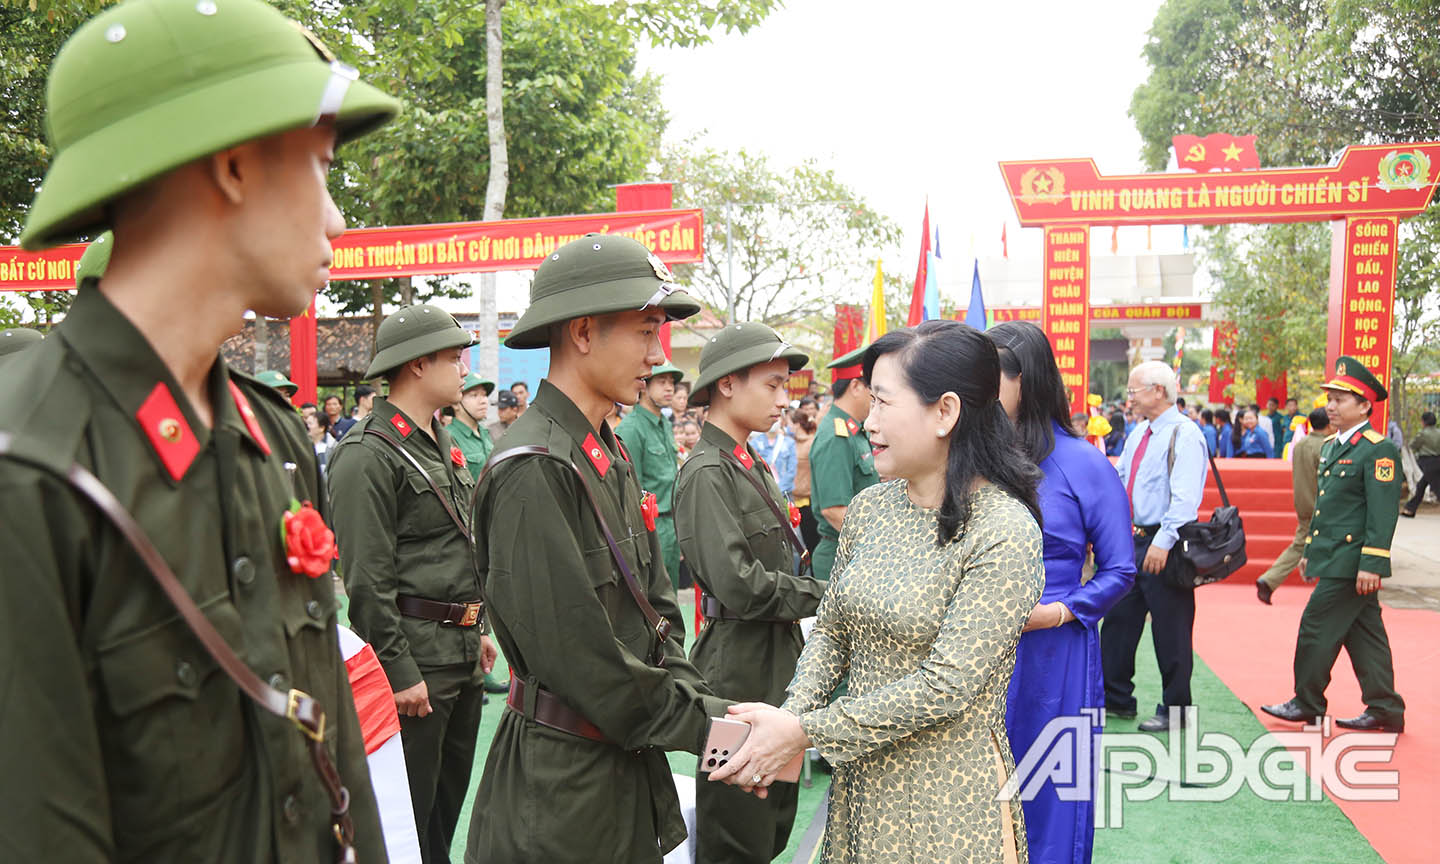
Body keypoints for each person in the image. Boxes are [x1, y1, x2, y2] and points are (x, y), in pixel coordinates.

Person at [0, 0, 399, 857]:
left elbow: (332, 757)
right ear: (232, 164)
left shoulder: (272, 441)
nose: (337, 222)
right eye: (322, 170)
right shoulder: (32, 472)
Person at [708, 320, 1044, 861]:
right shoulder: (872, 508)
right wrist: (791, 718)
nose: (870, 421)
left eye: (885, 403)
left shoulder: (1004, 531)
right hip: (861, 786)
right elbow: (832, 633)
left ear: (945, 412)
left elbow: (946, 685)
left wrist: (803, 733)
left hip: (946, 800)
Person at [466, 234, 730, 863]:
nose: (657, 354)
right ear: (583, 333)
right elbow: (578, 657)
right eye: (644, 332)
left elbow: (656, 613)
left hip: (616, 761)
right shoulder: (534, 466)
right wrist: (713, 728)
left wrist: (703, 703)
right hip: (563, 783)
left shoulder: (602, 450)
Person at [327, 305, 498, 863]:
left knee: (444, 813)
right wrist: (397, 672)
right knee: (408, 821)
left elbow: (461, 544)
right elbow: (366, 583)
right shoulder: (367, 454)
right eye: (454, 356)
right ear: (418, 365)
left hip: (461, 654)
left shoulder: (439, 440)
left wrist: (483, 627)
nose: (464, 367)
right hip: (416, 663)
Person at [990, 322, 1136, 864]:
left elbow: (1121, 570)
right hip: (973, 648)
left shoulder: (1085, 464)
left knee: (1050, 790)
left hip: (1054, 650)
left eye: (991, 375)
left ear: (1024, 380)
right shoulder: (972, 458)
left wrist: (1056, 612)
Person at [675, 321, 821, 863]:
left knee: (771, 826)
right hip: (736, 667)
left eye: (787, 387)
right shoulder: (707, 470)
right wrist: (825, 595)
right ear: (728, 384)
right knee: (736, 832)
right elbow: (738, 584)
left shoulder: (748, 461)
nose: (784, 400)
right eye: (773, 385)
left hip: (774, 657)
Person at [1262, 357, 1406, 733]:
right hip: (1334, 557)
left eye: (1342, 398)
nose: (1331, 404)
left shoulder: (1378, 450)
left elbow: (1382, 512)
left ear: (1364, 406)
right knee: (1365, 635)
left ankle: (1307, 703)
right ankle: (1386, 707)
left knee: (1315, 627)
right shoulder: (1329, 447)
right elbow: (1326, 510)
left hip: (1353, 562)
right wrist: (1311, 551)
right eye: (1330, 397)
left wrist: (1372, 563)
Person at [1101, 361, 1209, 732]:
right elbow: (1120, 479)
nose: (1129, 398)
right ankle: (1115, 696)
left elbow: (1185, 500)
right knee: (1117, 620)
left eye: (1134, 391)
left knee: (1172, 630)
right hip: (1134, 541)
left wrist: (1163, 542)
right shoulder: (1139, 433)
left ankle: (1177, 709)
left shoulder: (1185, 434)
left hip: (1169, 544)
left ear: (1158, 391)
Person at [808, 345, 878, 582]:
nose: (876, 397)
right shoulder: (835, 436)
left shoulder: (855, 430)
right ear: (856, 387)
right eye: (873, 388)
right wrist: (879, 545)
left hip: (856, 553)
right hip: (843, 558)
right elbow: (834, 510)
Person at [615, 361, 685, 590]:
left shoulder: (663, 423)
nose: (670, 388)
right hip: (651, 526)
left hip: (671, 521)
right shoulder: (630, 429)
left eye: (672, 383)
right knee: (656, 595)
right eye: (662, 382)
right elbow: (629, 490)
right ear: (644, 385)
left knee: (672, 592)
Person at [1256, 408, 1330, 604]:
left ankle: (1271, 580)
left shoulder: (1301, 444)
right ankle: (1271, 579)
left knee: (1302, 543)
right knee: (1307, 545)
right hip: (1318, 503)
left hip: (1302, 501)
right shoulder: (1326, 446)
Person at [450, 372, 496, 478]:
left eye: (484, 395)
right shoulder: (448, 437)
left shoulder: (485, 433)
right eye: (474, 395)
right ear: (456, 404)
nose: (484, 401)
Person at [791, 405, 821, 554]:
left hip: (809, 499)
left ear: (796, 424)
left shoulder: (810, 444)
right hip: (799, 498)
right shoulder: (793, 443)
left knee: (812, 544)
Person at [749, 411, 798, 496]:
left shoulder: (789, 443)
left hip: (785, 492)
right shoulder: (754, 443)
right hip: (764, 493)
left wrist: (778, 490)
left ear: (782, 420)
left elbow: (791, 470)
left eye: (777, 417)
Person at [1402, 411, 1440, 517]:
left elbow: (1413, 446)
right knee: (1421, 486)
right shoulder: (1439, 432)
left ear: (1424, 422)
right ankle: (1410, 509)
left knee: (1437, 488)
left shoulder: (1423, 433)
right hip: (1438, 460)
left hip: (1427, 462)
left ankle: (1410, 509)